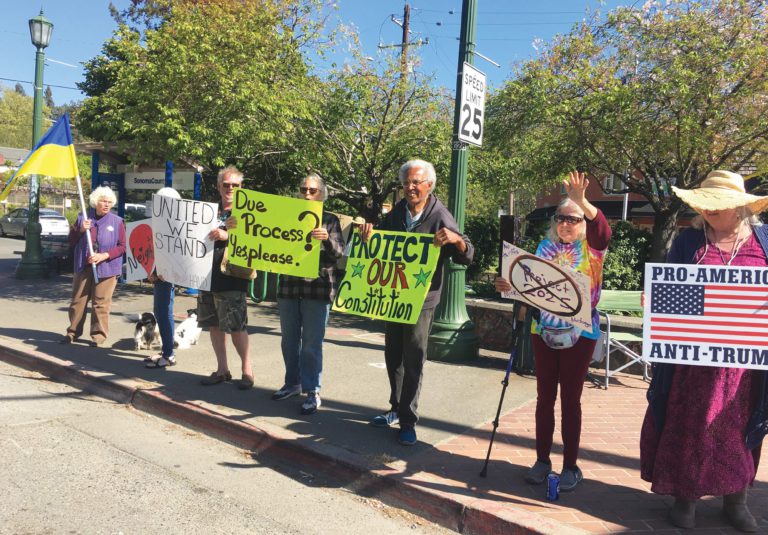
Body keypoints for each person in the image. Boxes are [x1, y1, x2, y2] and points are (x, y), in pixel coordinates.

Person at [640, 170, 768, 531]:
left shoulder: (765, 241)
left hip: (745, 366)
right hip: (694, 364)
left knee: (739, 430)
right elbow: (673, 291)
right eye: (706, 203)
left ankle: (736, 500)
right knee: (691, 426)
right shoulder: (689, 241)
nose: (710, 210)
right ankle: (686, 497)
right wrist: (657, 302)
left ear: (740, 207)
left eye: (720, 204)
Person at [495, 171, 611, 492]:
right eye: (561, 218)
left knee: (570, 400)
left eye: (573, 219)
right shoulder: (543, 247)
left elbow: (603, 230)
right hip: (543, 329)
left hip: (580, 333)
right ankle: (542, 460)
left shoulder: (592, 250)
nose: (566, 223)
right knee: (544, 398)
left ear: (582, 223)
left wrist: (582, 201)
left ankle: (571, 466)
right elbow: (528, 284)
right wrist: (508, 285)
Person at [361, 159, 474, 446]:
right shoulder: (398, 211)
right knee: (393, 355)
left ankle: (408, 421)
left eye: (416, 183)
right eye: (406, 183)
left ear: (429, 185)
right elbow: (380, 243)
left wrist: (456, 240)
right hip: (395, 295)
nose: (410, 188)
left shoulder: (440, 215)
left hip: (422, 300)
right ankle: (395, 409)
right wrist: (370, 235)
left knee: (413, 358)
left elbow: (467, 254)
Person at [270, 174, 345, 415]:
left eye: (312, 191)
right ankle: (293, 383)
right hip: (289, 287)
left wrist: (326, 241)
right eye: (303, 190)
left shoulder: (330, 220)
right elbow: (265, 241)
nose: (307, 194)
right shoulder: (284, 217)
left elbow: (339, 254)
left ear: (321, 194)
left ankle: (313, 390)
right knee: (288, 341)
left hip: (317, 290)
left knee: (312, 345)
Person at [198, 165, 253, 390]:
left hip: (232, 277)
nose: (230, 188)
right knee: (213, 324)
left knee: (237, 326)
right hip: (204, 276)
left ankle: (247, 370)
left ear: (242, 188)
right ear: (219, 186)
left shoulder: (250, 213)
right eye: (226, 185)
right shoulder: (208, 212)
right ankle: (222, 369)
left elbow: (257, 242)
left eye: (235, 185)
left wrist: (227, 236)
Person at [62, 186, 126, 347]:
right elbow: (71, 240)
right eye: (103, 201)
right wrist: (81, 229)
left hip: (107, 268)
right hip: (84, 266)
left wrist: (104, 255)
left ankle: (98, 336)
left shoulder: (117, 222)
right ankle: (73, 332)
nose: (106, 204)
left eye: (110, 202)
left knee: (101, 303)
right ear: (95, 202)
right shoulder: (83, 217)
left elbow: (123, 246)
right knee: (78, 301)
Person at [145, 187, 181, 369]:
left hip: (167, 274)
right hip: (159, 273)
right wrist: (150, 271)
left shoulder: (176, 223)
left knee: (164, 311)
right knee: (159, 311)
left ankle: (168, 354)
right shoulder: (159, 221)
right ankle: (166, 351)